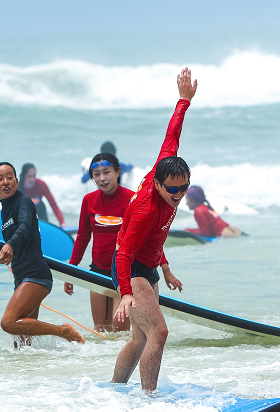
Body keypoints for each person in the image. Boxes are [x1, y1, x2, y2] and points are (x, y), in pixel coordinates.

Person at [110, 67, 196, 392]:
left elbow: (172, 135)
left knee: (140, 337)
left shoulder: (168, 169)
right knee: (159, 334)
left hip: (149, 266)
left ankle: (115, 390)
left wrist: (183, 100)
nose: (178, 196)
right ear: (157, 183)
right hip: (131, 269)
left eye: (184, 188)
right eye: (172, 190)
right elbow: (124, 253)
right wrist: (126, 294)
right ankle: (149, 401)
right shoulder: (146, 209)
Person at [65, 152, 179, 331]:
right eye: (96, 174)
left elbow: (151, 238)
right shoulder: (88, 201)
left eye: (107, 172)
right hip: (97, 271)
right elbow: (82, 237)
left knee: (120, 327)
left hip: (124, 272)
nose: (102, 178)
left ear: (118, 172)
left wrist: (165, 269)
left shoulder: (133, 199)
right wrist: (71, 270)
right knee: (101, 328)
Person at [0, 161, 84, 346]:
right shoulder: (6, 209)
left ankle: (62, 331)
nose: (5, 182)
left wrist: (10, 244)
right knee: (23, 344)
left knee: (8, 323)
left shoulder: (22, 201)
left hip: (35, 274)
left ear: (17, 181)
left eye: (10, 177)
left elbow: (25, 225)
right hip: (22, 276)